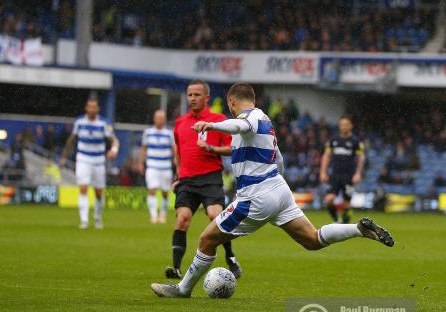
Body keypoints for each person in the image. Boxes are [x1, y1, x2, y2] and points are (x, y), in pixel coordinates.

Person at [151, 83, 393, 298]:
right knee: (312, 239)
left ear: (232, 102)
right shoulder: (266, 121)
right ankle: (358, 229)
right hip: (278, 190)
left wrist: (212, 125)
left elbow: (239, 124)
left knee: (206, 239)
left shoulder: (250, 117)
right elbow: (279, 160)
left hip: (256, 196)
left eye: (230, 106)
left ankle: (182, 289)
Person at [166, 79, 242, 280]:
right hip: (187, 180)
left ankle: (231, 257)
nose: (192, 98)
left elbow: (232, 148)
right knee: (182, 219)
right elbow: (178, 150)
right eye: (189, 94)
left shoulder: (217, 121)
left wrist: (212, 149)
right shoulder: (181, 123)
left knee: (215, 216)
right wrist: (178, 174)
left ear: (206, 97)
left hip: (210, 178)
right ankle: (175, 268)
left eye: (196, 94)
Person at [59, 98, 119, 229]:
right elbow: (71, 141)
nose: (92, 110)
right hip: (83, 159)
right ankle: (84, 220)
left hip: (98, 161)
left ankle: (97, 217)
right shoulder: (79, 122)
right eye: (89, 107)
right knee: (83, 188)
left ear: (98, 109)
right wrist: (64, 157)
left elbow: (114, 140)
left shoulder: (103, 123)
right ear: (86, 108)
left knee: (98, 192)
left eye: (94, 107)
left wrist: (114, 150)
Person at [320, 115, 365, 223]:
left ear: (351, 126)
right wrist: (323, 172)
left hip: (349, 176)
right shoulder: (333, 140)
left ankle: (345, 224)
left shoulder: (356, 142)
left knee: (346, 204)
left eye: (346, 124)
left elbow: (361, 158)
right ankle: (337, 220)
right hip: (335, 175)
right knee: (329, 200)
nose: (344, 127)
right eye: (342, 124)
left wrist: (358, 173)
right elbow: (326, 156)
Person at [137, 110, 176, 224]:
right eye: (157, 117)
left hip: (165, 167)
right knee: (152, 190)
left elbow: (174, 148)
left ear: (164, 119)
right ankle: (153, 216)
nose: (159, 120)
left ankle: (163, 215)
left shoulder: (169, 133)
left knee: (165, 192)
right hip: (152, 166)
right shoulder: (148, 132)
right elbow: (143, 149)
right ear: (154, 119)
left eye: (161, 118)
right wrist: (140, 163)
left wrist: (176, 159)